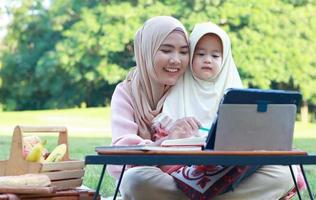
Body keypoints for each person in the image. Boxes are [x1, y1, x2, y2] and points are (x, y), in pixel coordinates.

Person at [154, 22, 302, 199]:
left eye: (215, 56)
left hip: (231, 167)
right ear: (191, 55)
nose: (207, 59)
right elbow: (163, 136)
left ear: (224, 60)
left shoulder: (234, 90)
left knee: (286, 172)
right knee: (138, 180)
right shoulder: (175, 88)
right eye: (200, 54)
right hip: (185, 166)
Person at [107, 16, 201, 200]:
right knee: (134, 179)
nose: (176, 60)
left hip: (196, 176)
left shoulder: (190, 87)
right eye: (166, 50)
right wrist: (167, 143)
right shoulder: (126, 92)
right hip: (154, 180)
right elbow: (120, 155)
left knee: (274, 173)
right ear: (146, 51)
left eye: (183, 52)